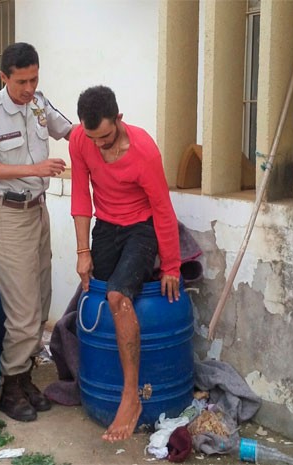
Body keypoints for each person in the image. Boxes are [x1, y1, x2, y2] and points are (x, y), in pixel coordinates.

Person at [0, 42, 74, 422]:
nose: (29, 88)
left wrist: (108, 132)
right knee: (24, 311)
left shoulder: (40, 103)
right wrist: (34, 170)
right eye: (22, 81)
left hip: (38, 213)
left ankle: (25, 377)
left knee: (41, 300)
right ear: (5, 77)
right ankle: (10, 386)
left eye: (34, 79)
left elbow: (69, 132)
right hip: (10, 217)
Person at [69, 85, 181, 442]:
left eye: (105, 137)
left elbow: (163, 209)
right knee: (95, 291)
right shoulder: (79, 139)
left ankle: (131, 396)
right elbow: (79, 194)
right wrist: (82, 252)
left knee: (118, 296)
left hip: (140, 228)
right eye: (92, 138)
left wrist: (172, 266)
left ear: (119, 119)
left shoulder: (144, 151)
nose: (98, 145)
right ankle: (88, 376)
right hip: (106, 226)